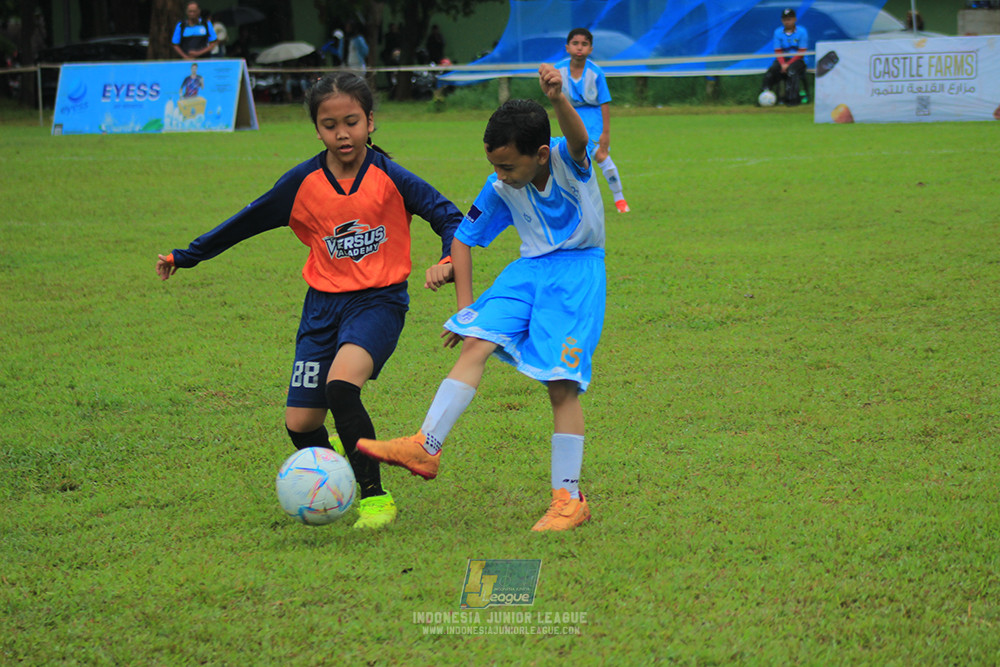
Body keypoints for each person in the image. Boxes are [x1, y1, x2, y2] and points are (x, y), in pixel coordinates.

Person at [155, 72, 463, 530]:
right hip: (321, 308)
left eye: (352, 122)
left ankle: (376, 499)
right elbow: (247, 220)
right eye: (330, 124)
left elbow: (449, 216)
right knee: (300, 425)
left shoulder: (389, 176)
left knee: (341, 386)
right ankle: (340, 466)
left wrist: (446, 257)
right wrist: (188, 255)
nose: (343, 133)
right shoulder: (302, 182)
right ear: (317, 130)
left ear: (371, 122)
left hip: (378, 302)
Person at [358, 63, 607, 533]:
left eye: (507, 165)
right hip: (527, 273)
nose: (499, 175)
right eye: (494, 164)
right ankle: (426, 445)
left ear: (538, 154)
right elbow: (464, 239)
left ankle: (569, 499)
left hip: (577, 277)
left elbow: (577, 141)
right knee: (476, 341)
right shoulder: (501, 184)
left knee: (561, 385)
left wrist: (559, 99)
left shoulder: (567, 163)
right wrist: (465, 310)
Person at [554, 28, 631, 213]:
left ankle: (619, 199)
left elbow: (604, 103)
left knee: (601, 155)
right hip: (570, 117)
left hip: (593, 119)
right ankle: (577, 203)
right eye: (575, 43)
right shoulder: (558, 70)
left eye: (584, 44)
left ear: (590, 49)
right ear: (567, 47)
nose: (579, 48)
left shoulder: (596, 73)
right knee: (572, 158)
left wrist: (606, 133)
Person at [761, 8, 809, 106]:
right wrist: (783, 64)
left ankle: (792, 99)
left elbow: (801, 52)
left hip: (798, 60)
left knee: (792, 71)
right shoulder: (778, 32)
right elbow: (778, 51)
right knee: (772, 71)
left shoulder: (802, 32)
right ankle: (764, 96)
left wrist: (788, 64)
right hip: (783, 59)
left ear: (795, 19)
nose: (787, 22)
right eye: (785, 19)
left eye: (789, 19)